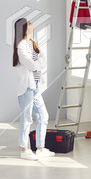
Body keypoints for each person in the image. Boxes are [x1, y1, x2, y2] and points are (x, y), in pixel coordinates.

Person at [13, 18, 55, 160]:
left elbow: (43, 60)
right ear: (24, 28)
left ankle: (40, 148)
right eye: (29, 23)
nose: (32, 24)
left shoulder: (33, 43)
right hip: (26, 88)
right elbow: (33, 65)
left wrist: (38, 63)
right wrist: (38, 63)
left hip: (35, 86)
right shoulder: (21, 46)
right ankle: (24, 150)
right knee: (27, 118)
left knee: (43, 116)